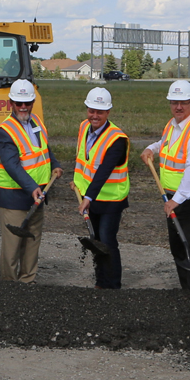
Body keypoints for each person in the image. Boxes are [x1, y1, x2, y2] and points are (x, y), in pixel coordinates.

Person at [140, 80, 190, 292]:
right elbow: (164, 143)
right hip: (175, 197)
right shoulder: (173, 125)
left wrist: (177, 200)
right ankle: (186, 289)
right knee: (178, 246)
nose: (178, 107)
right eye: (174, 102)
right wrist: (151, 149)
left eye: (183, 102)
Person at [0, 79, 63, 282]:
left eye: (27, 103)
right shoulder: (4, 130)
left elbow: (44, 150)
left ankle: (27, 281)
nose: (23, 107)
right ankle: (9, 284)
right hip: (14, 197)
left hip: (39, 194)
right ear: (11, 103)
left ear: (33, 102)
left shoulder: (36, 123)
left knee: (32, 242)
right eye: (18, 103)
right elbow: (12, 165)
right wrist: (31, 187)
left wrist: (55, 164)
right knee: (13, 246)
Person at [72, 87, 129, 289]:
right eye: (91, 110)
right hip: (91, 198)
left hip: (111, 199)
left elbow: (103, 172)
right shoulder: (83, 127)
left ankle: (112, 284)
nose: (95, 116)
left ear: (108, 112)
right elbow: (83, 160)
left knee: (106, 239)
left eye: (100, 112)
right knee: (95, 239)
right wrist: (78, 185)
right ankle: (100, 282)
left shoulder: (117, 140)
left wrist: (88, 197)